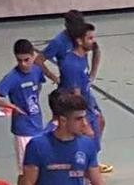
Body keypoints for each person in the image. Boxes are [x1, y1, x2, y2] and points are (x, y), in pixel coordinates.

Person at [37, 11, 112, 174]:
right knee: (76, 128)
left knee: (99, 122)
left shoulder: (83, 38)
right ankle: (78, 164)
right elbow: (39, 60)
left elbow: (97, 50)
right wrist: (53, 77)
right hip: (69, 91)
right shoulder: (60, 43)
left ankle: (91, 160)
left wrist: (92, 74)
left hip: (84, 89)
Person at [0, 39, 46, 185]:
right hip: (23, 130)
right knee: (25, 171)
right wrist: (10, 106)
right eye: (20, 61)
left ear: (33, 56)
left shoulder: (37, 71)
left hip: (38, 125)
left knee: (40, 167)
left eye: (27, 60)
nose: (24, 64)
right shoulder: (12, 77)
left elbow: (37, 86)